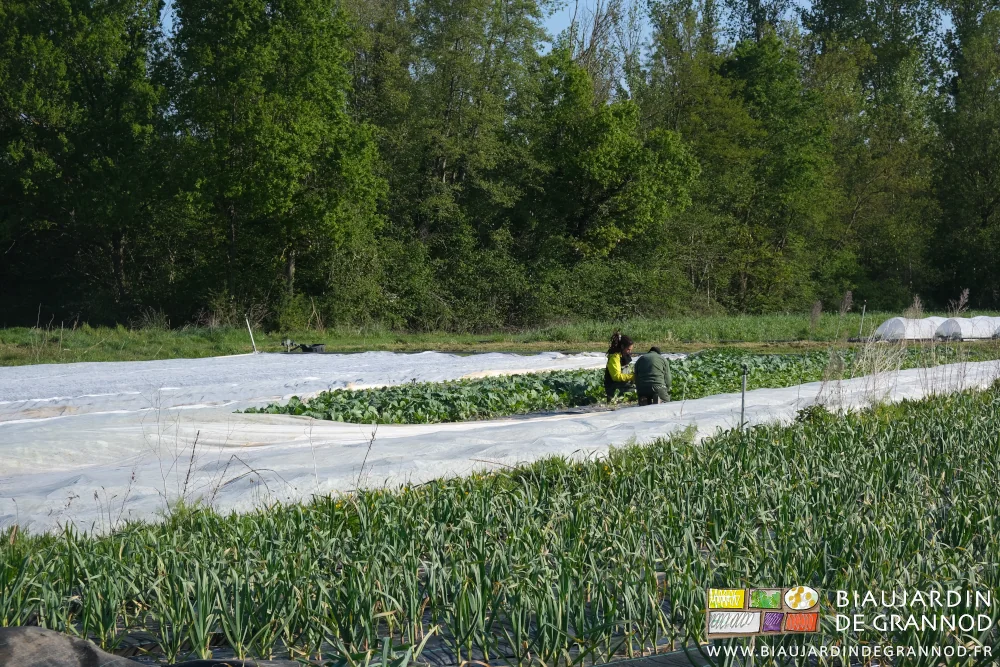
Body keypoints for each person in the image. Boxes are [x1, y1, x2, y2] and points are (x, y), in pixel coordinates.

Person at [604, 332, 634, 401]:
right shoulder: (614, 358)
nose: (630, 352)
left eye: (631, 350)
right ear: (622, 347)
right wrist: (633, 377)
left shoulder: (623, 357)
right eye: (628, 349)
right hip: (614, 390)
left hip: (623, 387)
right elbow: (616, 377)